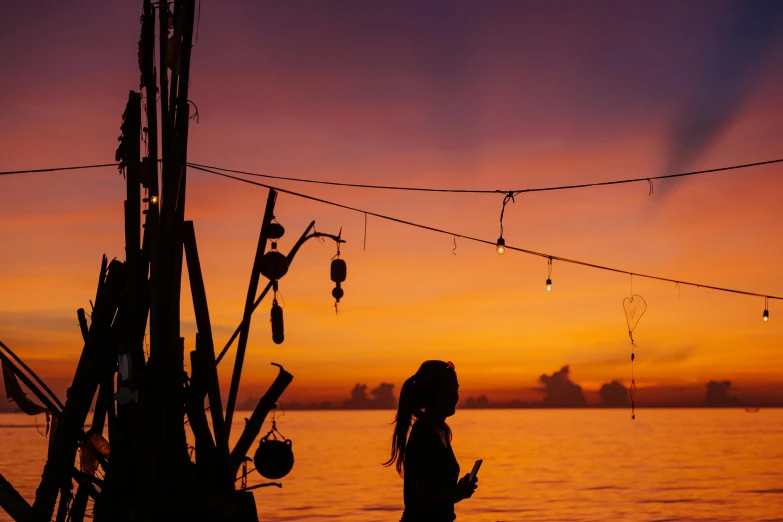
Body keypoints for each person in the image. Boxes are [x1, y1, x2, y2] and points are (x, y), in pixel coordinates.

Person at [384, 360, 478, 521]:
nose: (456, 396)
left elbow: (435, 489)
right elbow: (423, 498)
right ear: (436, 392)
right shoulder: (424, 433)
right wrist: (458, 493)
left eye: (457, 389)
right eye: (452, 389)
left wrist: (458, 489)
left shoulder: (440, 430)